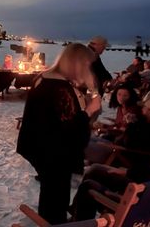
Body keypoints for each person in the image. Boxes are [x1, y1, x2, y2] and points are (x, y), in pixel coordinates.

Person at [16, 43, 102, 224]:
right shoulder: (61, 88)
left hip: (38, 146)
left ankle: (49, 219)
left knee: (49, 191)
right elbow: (70, 129)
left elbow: (52, 117)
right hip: (55, 152)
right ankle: (53, 221)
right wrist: (89, 110)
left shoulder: (43, 77)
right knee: (56, 196)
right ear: (77, 63)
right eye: (86, 64)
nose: (88, 68)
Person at [71, 98, 150, 221]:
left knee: (91, 180)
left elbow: (130, 143)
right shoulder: (146, 126)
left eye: (145, 109)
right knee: (94, 171)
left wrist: (127, 171)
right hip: (140, 180)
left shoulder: (149, 130)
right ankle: (76, 212)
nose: (142, 110)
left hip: (136, 182)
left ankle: (78, 219)